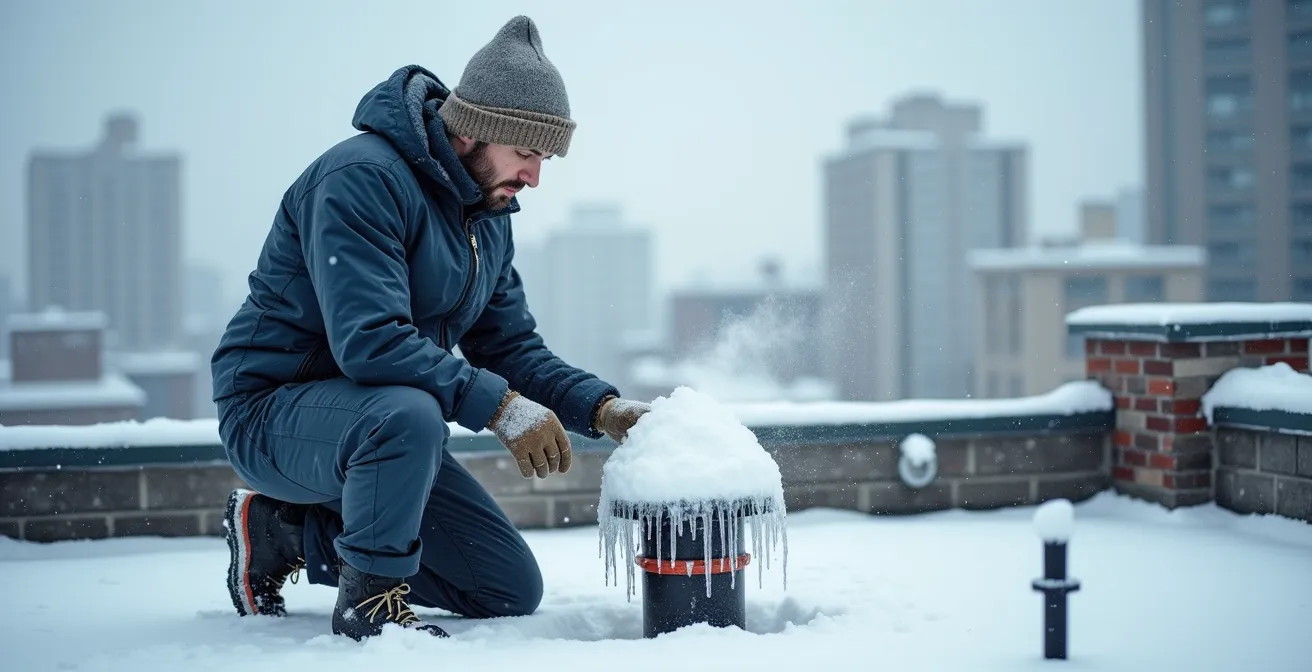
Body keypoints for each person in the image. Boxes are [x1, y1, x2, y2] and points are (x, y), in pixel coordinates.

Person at [210, 15, 651, 641]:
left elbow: (511, 347)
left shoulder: (487, 213)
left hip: (383, 427)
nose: (535, 176)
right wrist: (499, 407)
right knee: (409, 413)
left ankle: (282, 532)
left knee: (504, 586)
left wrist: (601, 408)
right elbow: (370, 341)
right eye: (526, 151)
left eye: (545, 157)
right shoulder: (361, 180)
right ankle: (372, 605)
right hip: (274, 414)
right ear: (475, 130)